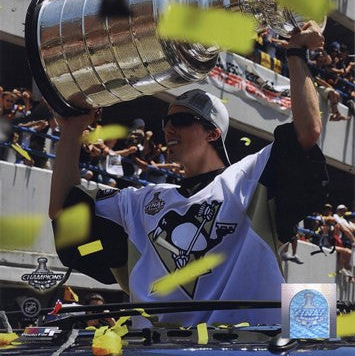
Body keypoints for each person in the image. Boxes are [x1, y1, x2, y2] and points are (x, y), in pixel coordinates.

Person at [50, 21, 327, 327]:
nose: (168, 129)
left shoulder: (251, 178)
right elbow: (64, 210)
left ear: (212, 133)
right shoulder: (141, 204)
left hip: (244, 349)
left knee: (317, 326)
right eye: (165, 123)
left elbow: (307, 131)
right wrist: (72, 129)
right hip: (156, 350)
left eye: (181, 120)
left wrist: (296, 53)